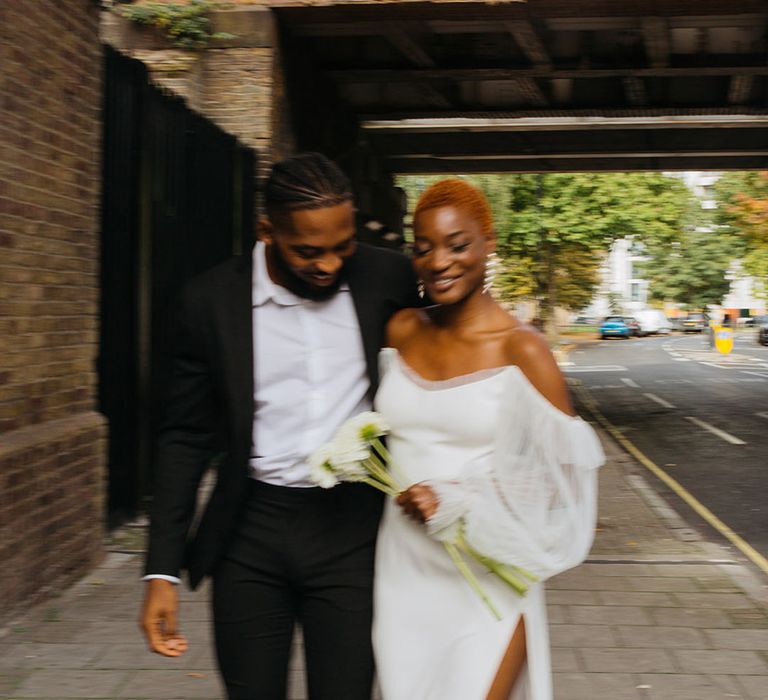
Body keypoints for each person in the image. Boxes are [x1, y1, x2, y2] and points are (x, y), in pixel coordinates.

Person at [139, 152, 420, 699]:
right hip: (250, 533)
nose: (331, 265)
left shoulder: (387, 277)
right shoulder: (210, 303)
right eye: (308, 252)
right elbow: (185, 437)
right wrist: (161, 571)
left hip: (352, 531)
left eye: (343, 247)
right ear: (267, 231)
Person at [372, 179, 604, 700]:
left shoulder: (523, 350)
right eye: (423, 248)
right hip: (402, 570)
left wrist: (461, 500)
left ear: (488, 243)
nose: (439, 262)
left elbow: (562, 496)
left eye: (458, 245)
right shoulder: (401, 330)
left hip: (488, 578)